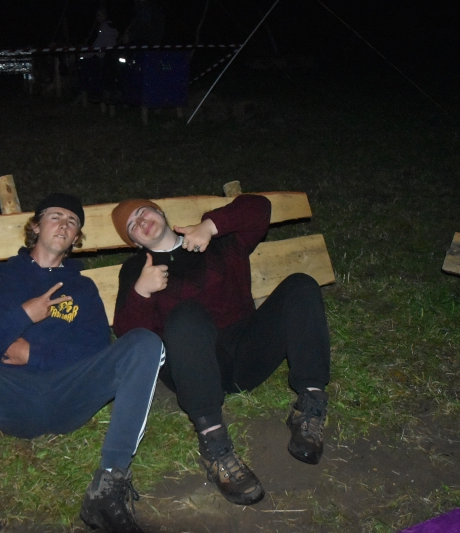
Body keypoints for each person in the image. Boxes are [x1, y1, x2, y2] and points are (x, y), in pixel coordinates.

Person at [0, 193, 165, 533]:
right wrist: (23, 315)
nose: (64, 224)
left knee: (146, 343)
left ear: (76, 238)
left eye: (72, 222)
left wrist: (34, 354)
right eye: (55, 216)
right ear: (35, 226)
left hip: (70, 393)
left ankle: (109, 486)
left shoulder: (83, 288)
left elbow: (95, 349)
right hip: (9, 394)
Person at [110, 194, 331, 507]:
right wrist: (141, 292)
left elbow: (259, 208)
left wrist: (211, 226)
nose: (142, 222)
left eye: (144, 212)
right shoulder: (136, 269)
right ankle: (214, 443)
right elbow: (129, 332)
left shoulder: (219, 240)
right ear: (133, 241)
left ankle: (309, 407)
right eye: (132, 225)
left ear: (160, 212)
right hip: (191, 365)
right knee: (186, 314)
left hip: (245, 352)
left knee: (301, 285)